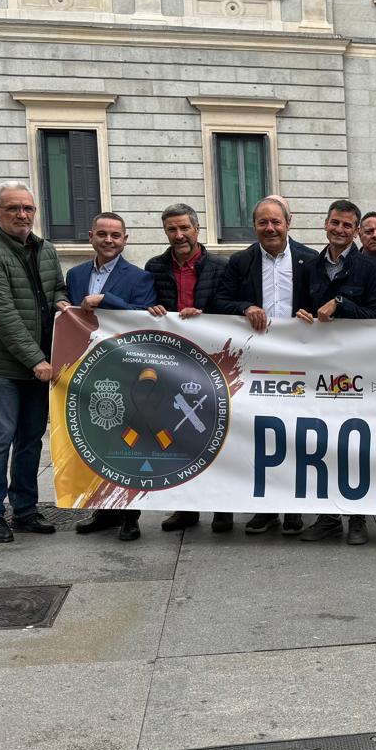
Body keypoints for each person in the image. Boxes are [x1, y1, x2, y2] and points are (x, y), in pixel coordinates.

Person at [0, 182, 64, 544]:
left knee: (30, 439)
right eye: (13, 209)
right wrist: (36, 358)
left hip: (38, 365)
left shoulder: (45, 249)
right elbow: (1, 315)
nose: (22, 215)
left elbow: (56, 291)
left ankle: (24, 509)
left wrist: (65, 305)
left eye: (28, 208)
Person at [213, 195, 318, 535]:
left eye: (276, 221)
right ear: (255, 225)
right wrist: (245, 306)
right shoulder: (240, 262)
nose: (270, 228)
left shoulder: (310, 260)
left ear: (289, 223)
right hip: (255, 365)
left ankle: (293, 508)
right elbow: (220, 301)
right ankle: (265, 508)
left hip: (299, 363)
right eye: (263, 222)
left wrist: (314, 315)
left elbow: (323, 304)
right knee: (261, 434)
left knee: (295, 435)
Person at [294, 199, 376, 546]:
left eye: (347, 226)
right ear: (325, 223)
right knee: (322, 442)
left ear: (356, 231)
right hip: (319, 372)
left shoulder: (369, 267)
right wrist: (302, 316)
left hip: (357, 371)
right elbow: (298, 310)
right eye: (335, 223)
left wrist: (342, 304)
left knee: (356, 443)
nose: (339, 230)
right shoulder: (309, 266)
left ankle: (358, 518)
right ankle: (328, 517)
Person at [64, 212, 157, 543]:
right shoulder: (74, 275)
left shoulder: (139, 277)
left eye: (115, 235)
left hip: (125, 370)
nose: (108, 240)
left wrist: (106, 300)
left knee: (127, 445)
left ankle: (129, 516)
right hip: (89, 371)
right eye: (102, 234)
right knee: (99, 441)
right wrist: (61, 302)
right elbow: (64, 307)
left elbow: (143, 316)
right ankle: (103, 510)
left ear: (125, 240)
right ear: (91, 236)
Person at [146, 203, 234, 535]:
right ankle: (186, 506)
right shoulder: (154, 267)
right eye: (172, 229)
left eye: (184, 228)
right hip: (172, 365)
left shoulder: (221, 267)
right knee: (179, 437)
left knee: (220, 434)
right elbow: (144, 304)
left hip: (213, 364)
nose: (179, 235)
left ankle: (223, 508)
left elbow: (229, 306)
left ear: (197, 229)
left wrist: (207, 315)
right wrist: (148, 309)